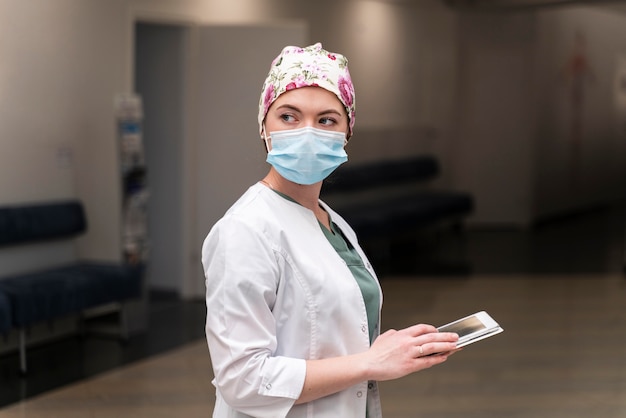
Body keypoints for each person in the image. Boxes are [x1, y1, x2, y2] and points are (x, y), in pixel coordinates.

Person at [202, 42, 459, 418]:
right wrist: (370, 363)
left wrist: (397, 349)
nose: (307, 133)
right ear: (263, 126)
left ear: (347, 133)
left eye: (326, 120)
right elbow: (242, 380)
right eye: (288, 117)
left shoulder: (331, 221)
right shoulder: (244, 231)